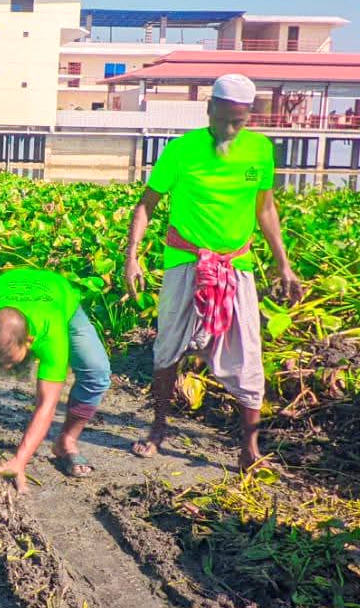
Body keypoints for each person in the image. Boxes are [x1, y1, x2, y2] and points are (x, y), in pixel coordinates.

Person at [123, 73, 302, 471]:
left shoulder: (259, 150)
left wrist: (284, 264)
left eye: (238, 122)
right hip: (185, 262)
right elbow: (146, 204)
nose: (229, 129)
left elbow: (265, 208)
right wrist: (132, 256)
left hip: (236, 266)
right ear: (209, 109)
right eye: (222, 120)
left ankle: (249, 448)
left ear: (249, 116)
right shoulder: (181, 150)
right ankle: (157, 428)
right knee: (168, 347)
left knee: (248, 355)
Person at [0, 268, 111, 493]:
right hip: (8, 283)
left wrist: (20, 461)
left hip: (58, 295)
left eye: (10, 360)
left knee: (97, 373)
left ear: (30, 342)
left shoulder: (52, 333)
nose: (5, 367)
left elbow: (46, 404)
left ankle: (66, 442)